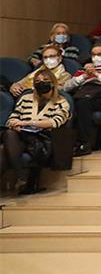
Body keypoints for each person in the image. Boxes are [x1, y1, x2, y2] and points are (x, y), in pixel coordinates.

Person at [3, 67, 71, 195]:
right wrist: (15, 124)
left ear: (53, 83)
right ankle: (21, 175)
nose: (41, 83)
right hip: (22, 136)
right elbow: (12, 118)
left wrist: (27, 123)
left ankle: (21, 177)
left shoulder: (61, 102)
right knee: (7, 137)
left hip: (42, 139)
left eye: (45, 80)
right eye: (38, 81)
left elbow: (55, 123)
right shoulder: (26, 98)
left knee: (5, 146)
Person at [61, 44, 101, 156]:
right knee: (72, 104)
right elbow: (66, 87)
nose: (96, 57)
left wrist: (97, 74)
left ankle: (84, 144)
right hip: (84, 96)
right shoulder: (82, 70)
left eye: (99, 54)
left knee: (83, 103)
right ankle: (64, 145)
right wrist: (84, 76)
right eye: (93, 55)